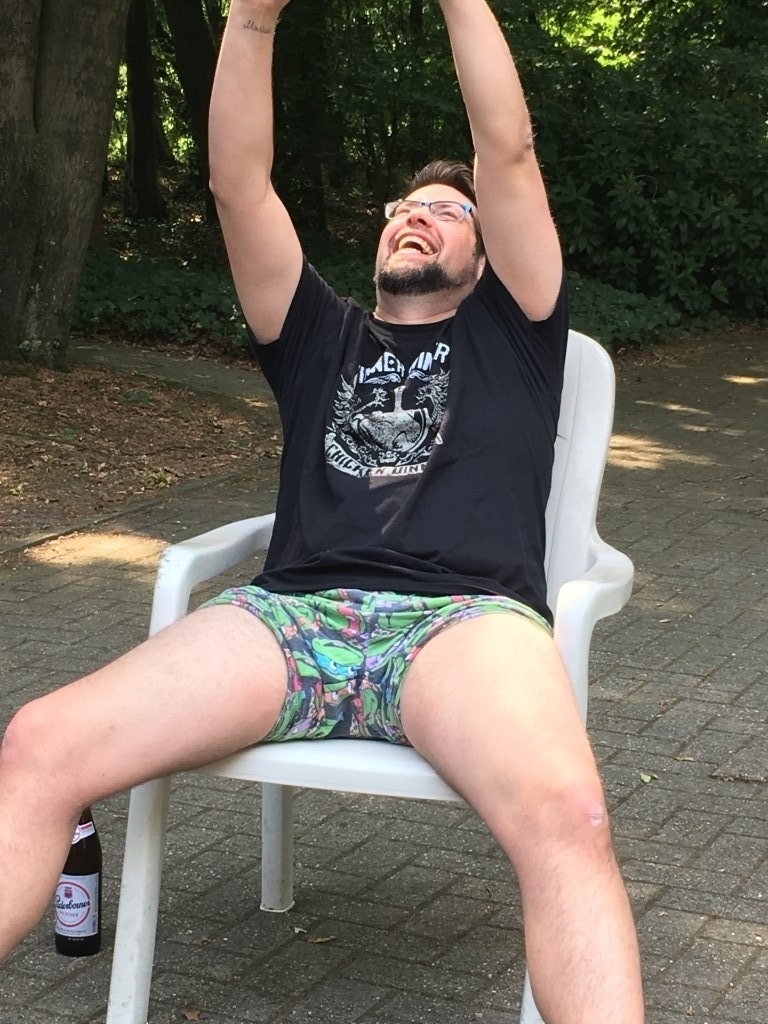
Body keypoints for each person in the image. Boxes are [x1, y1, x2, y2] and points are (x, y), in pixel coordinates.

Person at [0, 1, 644, 1020]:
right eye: (403, 205)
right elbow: (238, 182)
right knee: (39, 741)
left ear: (489, 254)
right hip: (289, 620)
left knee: (571, 812)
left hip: (463, 624)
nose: (417, 214)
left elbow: (509, 152)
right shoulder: (315, 334)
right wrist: (254, 14)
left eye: (450, 210)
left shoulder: (518, 332)